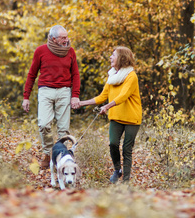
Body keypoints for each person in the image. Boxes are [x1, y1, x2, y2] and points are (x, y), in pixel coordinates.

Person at [77, 46, 142, 183]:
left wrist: (107, 106)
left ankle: (126, 181)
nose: (110, 58)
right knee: (113, 144)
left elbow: (123, 96)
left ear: (122, 58)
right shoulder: (112, 77)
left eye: (113, 55)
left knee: (126, 149)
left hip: (132, 118)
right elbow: (102, 97)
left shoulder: (131, 76)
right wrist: (81, 103)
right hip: (116, 117)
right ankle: (117, 169)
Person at [22, 25, 81, 169]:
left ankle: (61, 156)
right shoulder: (41, 51)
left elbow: (76, 74)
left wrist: (75, 96)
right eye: (63, 38)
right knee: (43, 124)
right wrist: (26, 96)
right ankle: (48, 153)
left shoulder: (70, 51)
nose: (66, 40)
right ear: (53, 39)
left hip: (64, 91)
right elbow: (32, 74)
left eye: (67, 37)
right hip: (45, 91)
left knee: (63, 129)